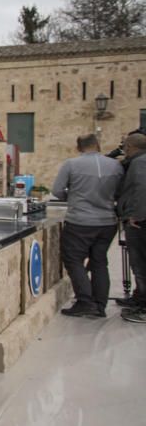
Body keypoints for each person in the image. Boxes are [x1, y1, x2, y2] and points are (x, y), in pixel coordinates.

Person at [52, 133, 124, 318]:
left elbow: (57, 190)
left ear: (79, 147)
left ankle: (85, 302)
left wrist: (73, 197)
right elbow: (121, 191)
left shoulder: (72, 164)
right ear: (98, 145)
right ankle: (100, 305)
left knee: (74, 260)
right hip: (108, 221)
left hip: (80, 222)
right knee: (99, 262)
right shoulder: (115, 165)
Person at [116, 133, 146, 322]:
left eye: (125, 146)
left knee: (141, 263)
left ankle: (144, 308)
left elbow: (142, 188)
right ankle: (140, 298)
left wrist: (137, 215)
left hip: (140, 222)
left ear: (131, 147)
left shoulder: (140, 163)